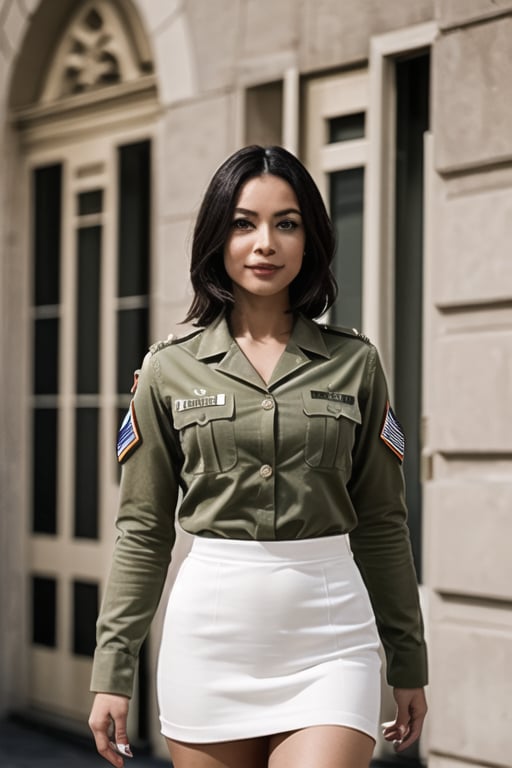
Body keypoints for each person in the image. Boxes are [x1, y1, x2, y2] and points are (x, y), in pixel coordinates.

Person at [88, 145, 427, 768]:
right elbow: (141, 529)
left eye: (286, 223)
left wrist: (409, 660)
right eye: (244, 223)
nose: (264, 242)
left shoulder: (357, 362)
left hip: (331, 639)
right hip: (210, 638)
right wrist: (112, 669)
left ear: (310, 239)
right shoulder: (167, 369)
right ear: (218, 236)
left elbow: (383, 523)